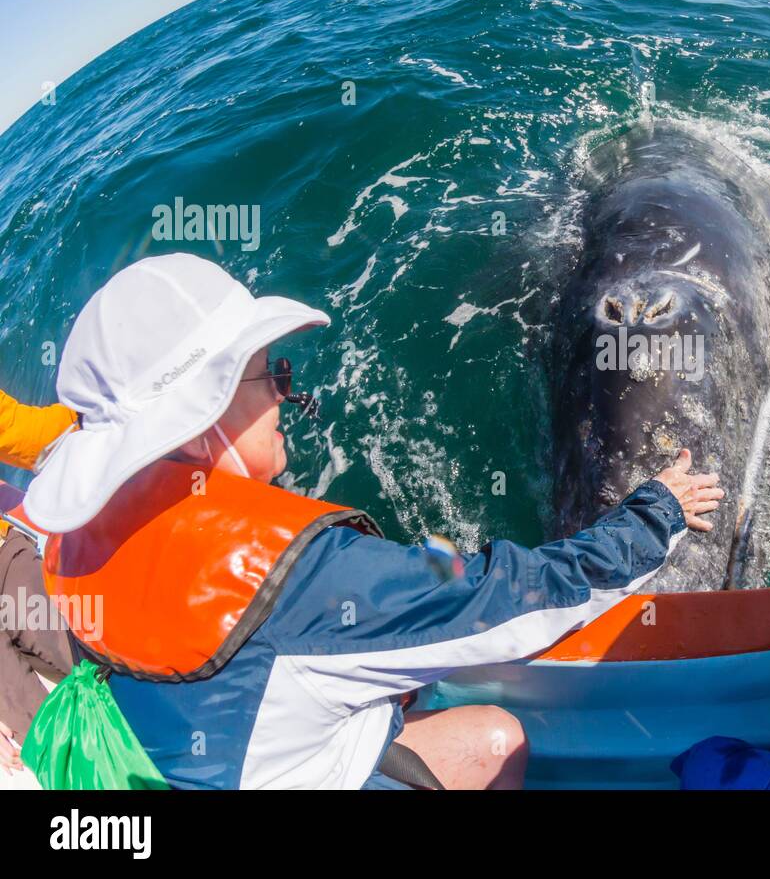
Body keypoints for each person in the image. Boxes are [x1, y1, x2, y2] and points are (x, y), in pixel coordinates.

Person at [16, 253, 724, 789]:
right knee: (497, 737)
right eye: (274, 375)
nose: (291, 396)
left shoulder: (78, 536)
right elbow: (514, 603)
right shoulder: (293, 576)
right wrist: (656, 511)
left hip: (205, 762)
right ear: (201, 419)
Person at [0, 387, 77, 784]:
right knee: (34, 723)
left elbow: (34, 436)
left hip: (3, 555)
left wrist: (89, 414)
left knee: (77, 656)